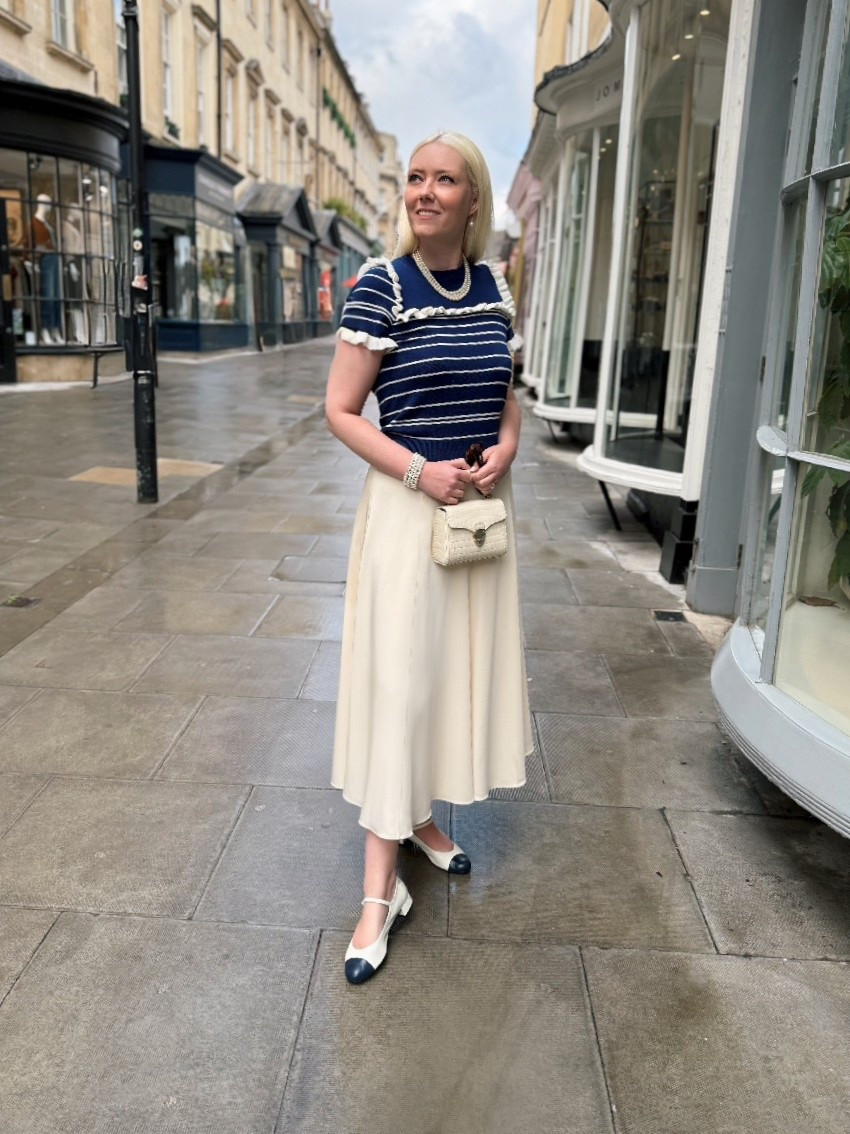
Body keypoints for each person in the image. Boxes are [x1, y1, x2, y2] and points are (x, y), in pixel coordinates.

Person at [325, 131, 533, 985]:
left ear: (473, 200)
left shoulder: (493, 288)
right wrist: (420, 470)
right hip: (409, 516)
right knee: (402, 688)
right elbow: (341, 410)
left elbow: (506, 395)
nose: (424, 191)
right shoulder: (382, 284)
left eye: (444, 180)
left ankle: (418, 818)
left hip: (479, 516)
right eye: (416, 177)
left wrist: (506, 448)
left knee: (448, 677)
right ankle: (380, 895)